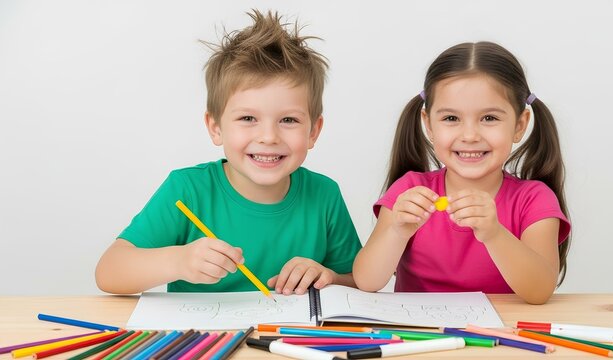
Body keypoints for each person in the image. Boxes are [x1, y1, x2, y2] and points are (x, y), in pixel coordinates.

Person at [96, 10, 361, 295]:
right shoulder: (187, 190)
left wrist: (329, 277)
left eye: (288, 120)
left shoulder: (324, 195)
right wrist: (178, 261)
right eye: (248, 119)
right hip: (200, 339)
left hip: (284, 339)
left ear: (313, 132)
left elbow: (359, 281)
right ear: (215, 127)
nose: (269, 137)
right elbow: (109, 272)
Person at [353, 42, 570, 304]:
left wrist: (494, 234)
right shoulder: (409, 190)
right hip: (422, 336)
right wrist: (397, 232)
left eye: (489, 118)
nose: (469, 136)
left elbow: (540, 291)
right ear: (429, 125)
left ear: (520, 125)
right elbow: (366, 281)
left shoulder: (534, 199)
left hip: (502, 338)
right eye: (451, 119)